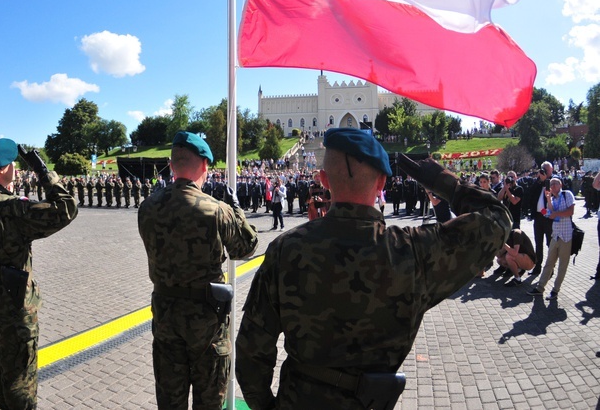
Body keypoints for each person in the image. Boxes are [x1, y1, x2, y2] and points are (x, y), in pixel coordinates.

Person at [235, 128, 511, 409]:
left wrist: (266, 407)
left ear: (323, 180)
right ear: (381, 183)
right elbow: (498, 220)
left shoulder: (286, 249)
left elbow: (251, 350)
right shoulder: (411, 250)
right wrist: (446, 184)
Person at [138, 131, 258, 410]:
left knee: (170, 399)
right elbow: (246, 247)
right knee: (209, 400)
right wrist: (236, 208)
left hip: (166, 316)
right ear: (204, 165)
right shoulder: (215, 210)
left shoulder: (148, 207)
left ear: (172, 164)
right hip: (207, 322)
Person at [0, 139, 78, 409]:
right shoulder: (10, 207)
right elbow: (66, 208)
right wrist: (44, 172)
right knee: (20, 375)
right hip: (14, 303)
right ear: (1, 169)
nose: (15, 167)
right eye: (11, 163)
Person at [529, 177, 575, 300]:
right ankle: (540, 288)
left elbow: (571, 211)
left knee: (562, 266)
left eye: (555, 183)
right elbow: (550, 213)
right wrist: (548, 199)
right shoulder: (553, 199)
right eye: (551, 184)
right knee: (549, 263)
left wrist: (556, 214)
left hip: (566, 236)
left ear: (560, 185)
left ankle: (555, 290)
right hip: (555, 235)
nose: (553, 186)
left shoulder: (567, 194)